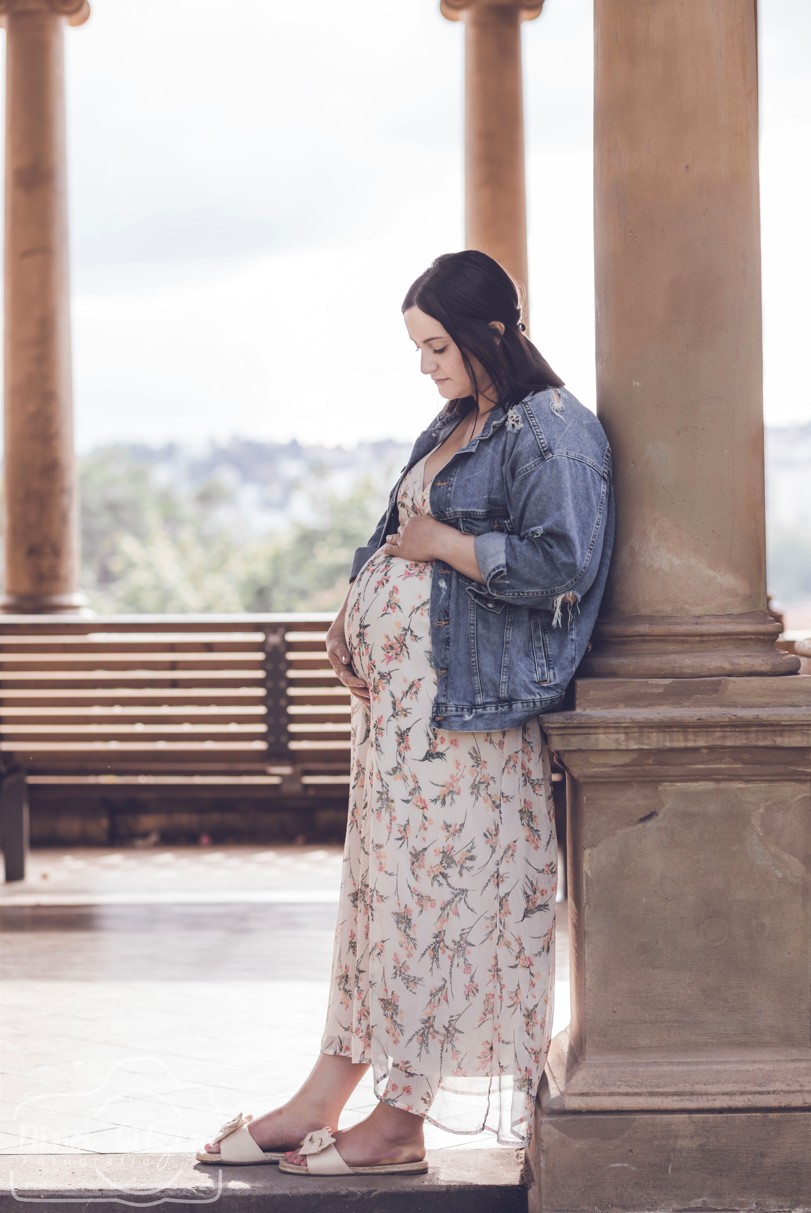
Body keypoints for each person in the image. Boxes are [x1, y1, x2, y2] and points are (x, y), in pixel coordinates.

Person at [198, 250, 615, 1177]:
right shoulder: (461, 419)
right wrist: (351, 614)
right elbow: (397, 536)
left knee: (439, 913)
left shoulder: (554, 430)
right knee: (381, 910)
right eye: (418, 348)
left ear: (488, 333)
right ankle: (324, 1094)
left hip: (467, 726)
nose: (424, 365)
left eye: (436, 347)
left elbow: (562, 564)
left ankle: (399, 1121)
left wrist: (448, 544)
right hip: (403, 727)